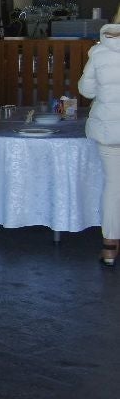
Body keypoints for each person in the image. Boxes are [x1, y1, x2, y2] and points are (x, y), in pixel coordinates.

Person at [78, 23, 120, 266]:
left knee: (113, 187)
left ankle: (109, 248)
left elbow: (86, 89)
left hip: (108, 130)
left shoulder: (98, 53)